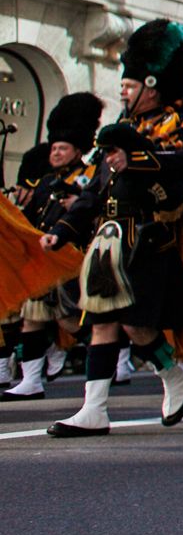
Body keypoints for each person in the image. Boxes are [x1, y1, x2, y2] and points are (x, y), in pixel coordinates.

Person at [41, 21, 183, 437]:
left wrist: (136, 157)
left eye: (130, 85)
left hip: (148, 240)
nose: (124, 92)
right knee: (101, 320)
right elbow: (95, 189)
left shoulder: (174, 125)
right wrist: (62, 230)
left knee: (136, 325)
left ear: (151, 87)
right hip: (109, 240)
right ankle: (94, 409)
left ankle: (172, 373)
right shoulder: (124, 126)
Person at [3, 95, 100, 402]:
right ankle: (31, 381)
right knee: (32, 316)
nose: (56, 153)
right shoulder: (45, 182)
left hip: (74, 258)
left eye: (62, 148)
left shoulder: (90, 177)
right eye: (54, 148)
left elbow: (95, 213)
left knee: (70, 320)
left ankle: (111, 358)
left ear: (78, 150)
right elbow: (30, 220)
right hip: (45, 258)